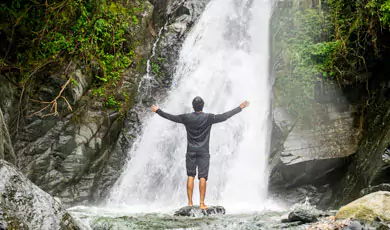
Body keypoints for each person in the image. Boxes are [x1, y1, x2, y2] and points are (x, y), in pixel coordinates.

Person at [151, 97, 249, 210]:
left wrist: (158, 110)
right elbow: (224, 116)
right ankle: (202, 203)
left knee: (190, 175)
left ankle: (190, 203)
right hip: (204, 151)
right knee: (203, 177)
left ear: (193, 106)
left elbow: (171, 117)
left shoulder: (186, 117)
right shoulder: (209, 117)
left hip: (191, 151)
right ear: (203, 105)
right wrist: (240, 108)